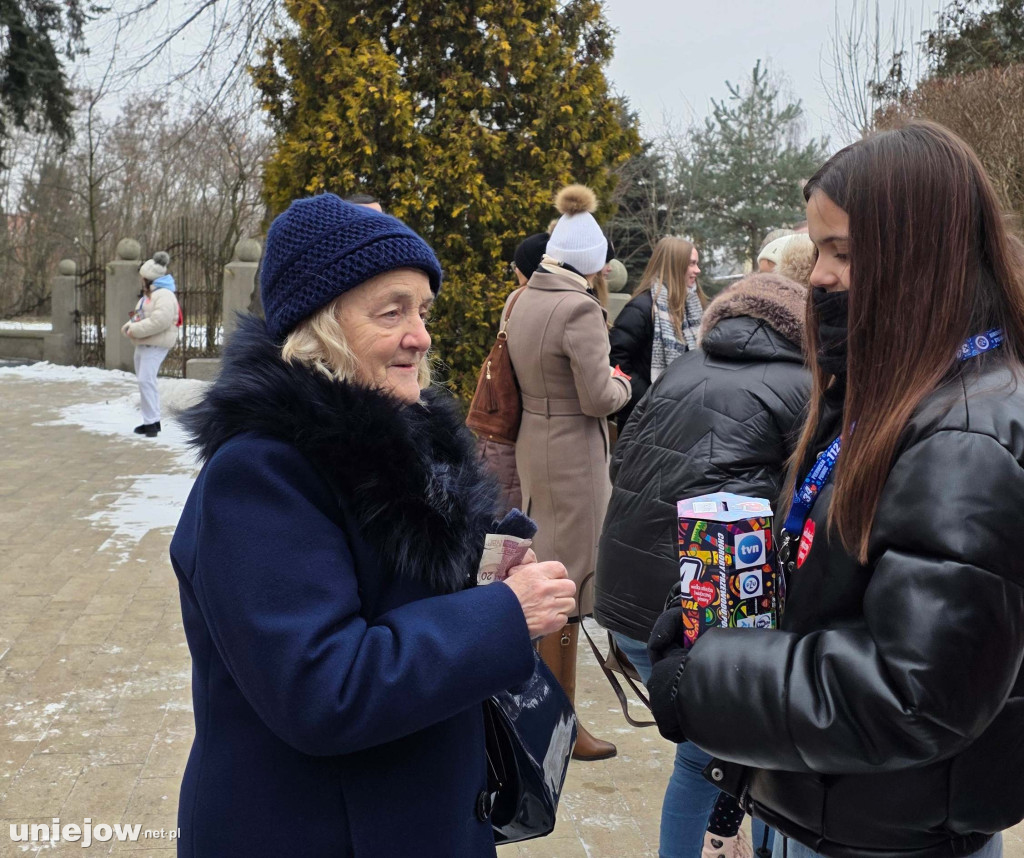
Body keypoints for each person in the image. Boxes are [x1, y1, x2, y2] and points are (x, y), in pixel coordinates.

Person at [647, 120, 1024, 858]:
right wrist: (718, 609)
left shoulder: (963, 436)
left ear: (920, 255)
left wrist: (705, 680)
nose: (817, 275)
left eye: (842, 252)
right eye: (817, 248)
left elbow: (912, 692)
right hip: (838, 805)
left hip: (884, 830)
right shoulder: (907, 389)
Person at [169, 194, 576, 857]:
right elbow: (322, 688)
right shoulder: (260, 476)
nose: (420, 334)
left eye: (423, 310)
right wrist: (502, 615)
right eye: (391, 312)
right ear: (319, 326)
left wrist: (485, 575)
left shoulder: (402, 447)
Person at [596, 270, 811, 858]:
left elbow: (622, 468)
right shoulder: (806, 388)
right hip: (707, 610)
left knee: (713, 755)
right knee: (731, 759)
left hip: (627, 597)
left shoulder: (683, 370)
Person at [506, 183, 631, 761]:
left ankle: (544, 716)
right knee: (567, 584)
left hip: (536, 441)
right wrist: (625, 382)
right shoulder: (578, 306)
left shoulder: (522, 298)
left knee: (547, 572)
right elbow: (600, 397)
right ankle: (560, 727)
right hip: (574, 456)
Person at [473, 231, 549, 516]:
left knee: (500, 499)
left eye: (518, 266)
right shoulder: (531, 299)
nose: (515, 271)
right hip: (520, 419)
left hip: (502, 419)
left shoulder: (519, 299)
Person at [609, 236, 704, 431]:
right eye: (692, 264)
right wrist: (646, 398)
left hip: (678, 417)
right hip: (643, 421)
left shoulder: (691, 309)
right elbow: (615, 360)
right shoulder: (640, 309)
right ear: (675, 265)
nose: (697, 270)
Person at [121, 250, 180, 437]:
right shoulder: (148, 296)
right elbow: (138, 316)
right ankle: (151, 422)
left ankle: (152, 422)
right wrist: (128, 326)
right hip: (144, 343)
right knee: (146, 381)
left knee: (146, 381)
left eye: (142, 277)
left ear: (148, 277)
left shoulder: (164, 295)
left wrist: (135, 330)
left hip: (155, 344)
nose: (140, 280)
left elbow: (160, 321)